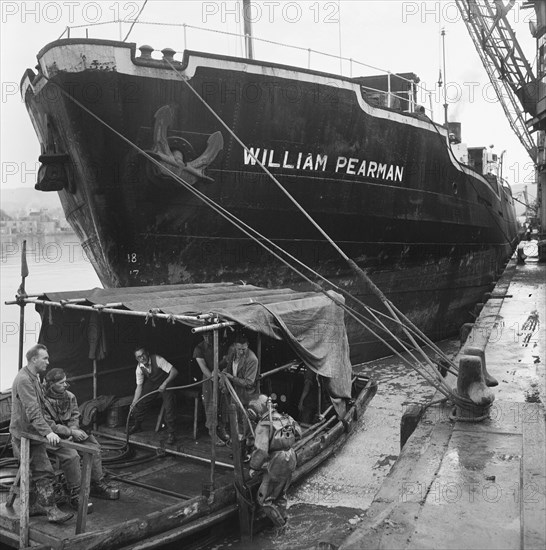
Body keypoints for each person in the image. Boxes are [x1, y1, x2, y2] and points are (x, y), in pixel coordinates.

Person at [9, 344, 73, 523]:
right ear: (33, 359)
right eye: (45, 358)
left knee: (35, 470)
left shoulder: (34, 377)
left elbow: (40, 405)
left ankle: (32, 506)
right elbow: (33, 411)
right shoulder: (23, 380)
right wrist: (48, 433)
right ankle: (51, 511)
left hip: (32, 431)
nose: (48, 361)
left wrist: (52, 427)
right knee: (42, 471)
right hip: (25, 434)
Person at [42, 368, 119, 510]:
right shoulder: (43, 401)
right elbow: (49, 425)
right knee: (72, 456)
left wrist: (75, 430)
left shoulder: (70, 396)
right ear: (51, 384)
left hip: (72, 432)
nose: (66, 385)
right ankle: (75, 493)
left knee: (93, 446)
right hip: (52, 438)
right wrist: (70, 432)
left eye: (66, 382)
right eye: (61, 383)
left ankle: (96, 483)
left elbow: (75, 415)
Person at [248, 394, 302, 528]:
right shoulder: (286, 418)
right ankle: (284, 518)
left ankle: (281, 527)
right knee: (280, 495)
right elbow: (299, 434)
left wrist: (253, 467)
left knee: (264, 500)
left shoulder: (264, 424)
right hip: (290, 456)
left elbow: (261, 451)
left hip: (277, 461)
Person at [129, 346, 179, 444]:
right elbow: (139, 387)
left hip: (166, 381)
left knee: (169, 406)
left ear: (147, 353)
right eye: (139, 357)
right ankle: (137, 425)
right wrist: (134, 402)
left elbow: (174, 371)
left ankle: (171, 433)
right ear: (137, 359)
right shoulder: (139, 368)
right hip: (153, 382)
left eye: (143, 354)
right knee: (141, 402)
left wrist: (164, 384)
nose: (142, 358)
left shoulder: (158, 359)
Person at [219, 334, 259, 445]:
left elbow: (249, 382)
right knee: (234, 421)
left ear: (248, 346)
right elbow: (228, 369)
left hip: (247, 396)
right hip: (234, 393)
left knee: (247, 423)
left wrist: (232, 378)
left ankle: (248, 449)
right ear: (234, 347)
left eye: (243, 349)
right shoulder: (232, 354)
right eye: (238, 349)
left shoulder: (252, 359)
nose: (241, 352)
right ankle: (237, 447)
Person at [193, 333, 226, 445]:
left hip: (221, 376)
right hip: (208, 379)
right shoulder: (199, 348)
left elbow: (225, 361)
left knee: (223, 403)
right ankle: (213, 432)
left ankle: (221, 428)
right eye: (205, 336)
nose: (208, 338)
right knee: (210, 404)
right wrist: (213, 378)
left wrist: (221, 374)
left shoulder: (220, 344)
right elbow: (203, 367)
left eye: (210, 335)